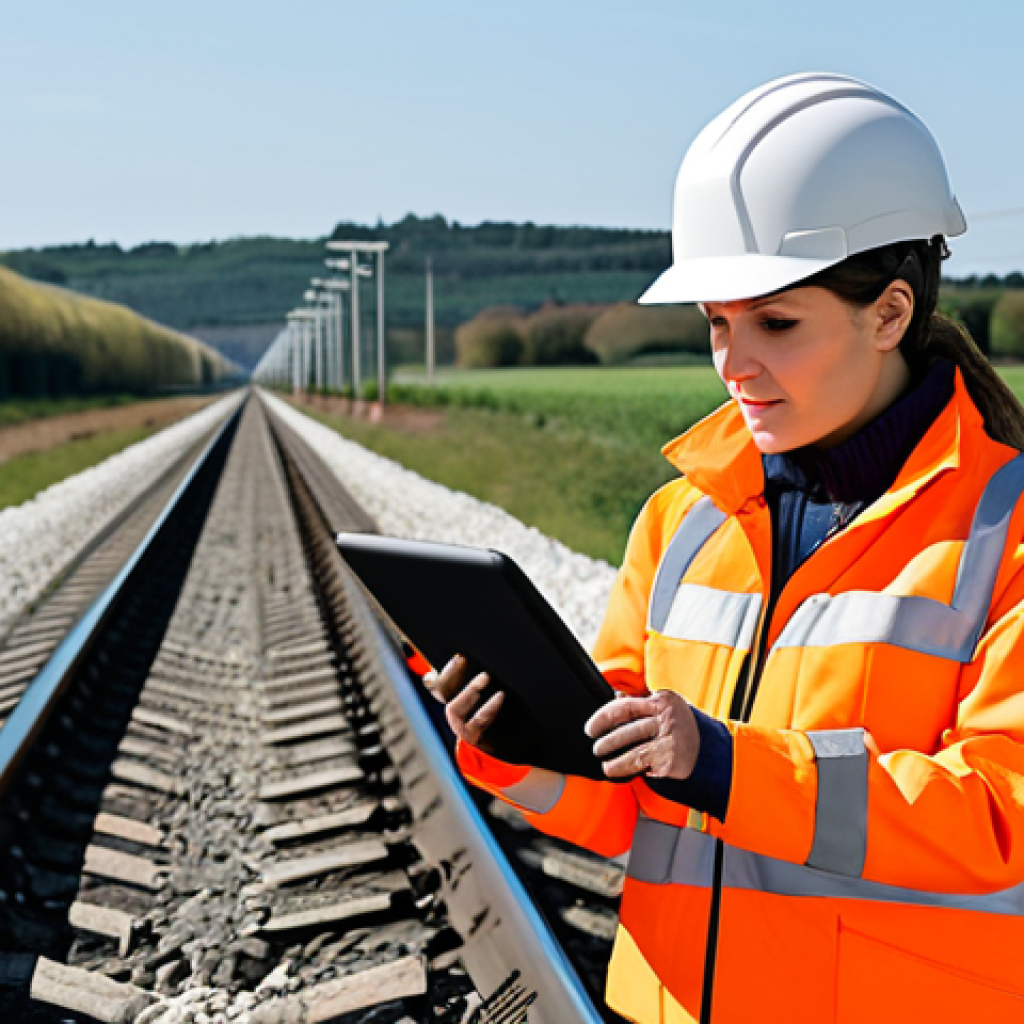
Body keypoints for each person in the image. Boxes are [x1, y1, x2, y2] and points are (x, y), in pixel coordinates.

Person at [431, 73, 1024, 1023]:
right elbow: (631, 807)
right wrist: (523, 750)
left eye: (775, 323)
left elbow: (1003, 813)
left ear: (891, 314)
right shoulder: (682, 522)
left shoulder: (1008, 534)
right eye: (716, 324)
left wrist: (727, 763)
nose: (733, 364)